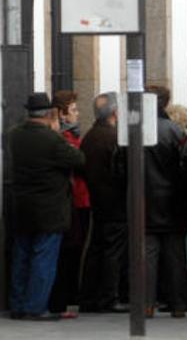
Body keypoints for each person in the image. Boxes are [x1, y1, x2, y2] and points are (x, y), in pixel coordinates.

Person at [8, 93, 86, 320]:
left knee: (21, 257)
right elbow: (78, 159)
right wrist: (57, 133)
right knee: (44, 259)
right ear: (50, 114)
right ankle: (35, 307)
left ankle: (18, 304)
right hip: (49, 209)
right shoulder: (52, 139)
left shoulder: (15, 135)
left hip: (22, 206)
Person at [79, 93, 129, 313]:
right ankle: (109, 297)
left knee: (96, 248)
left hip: (97, 200)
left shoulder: (89, 137)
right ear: (115, 112)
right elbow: (122, 171)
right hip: (115, 202)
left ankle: (89, 297)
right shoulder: (114, 137)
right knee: (112, 252)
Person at [144, 86, 187, 318]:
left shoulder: (134, 130)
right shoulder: (173, 130)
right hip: (172, 200)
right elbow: (184, 165)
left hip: (144, 200)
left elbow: (120, 166)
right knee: (175, 255)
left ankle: (147, 304)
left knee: (147, 255)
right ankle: (179, 304)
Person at [48, 90, 89, 317]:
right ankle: (61, 299)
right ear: (62, 115)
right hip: (74, 200)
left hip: (78, 199)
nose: (77, 114)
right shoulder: (65, 140)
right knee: (69, 250)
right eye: (73, 110)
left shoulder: (71, 136)